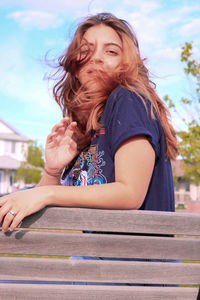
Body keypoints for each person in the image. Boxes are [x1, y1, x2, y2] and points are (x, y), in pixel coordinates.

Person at [0, 13, 178, 235]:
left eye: (111, 51)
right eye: (86, 51)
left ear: (128, 63)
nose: (96, 58)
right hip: (99, 259)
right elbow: (36, 208)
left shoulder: (128, 99)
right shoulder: (93, 125)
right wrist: (52, 171)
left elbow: (130, 193)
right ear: (76, 65)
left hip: (133, 263)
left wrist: (46, 194)